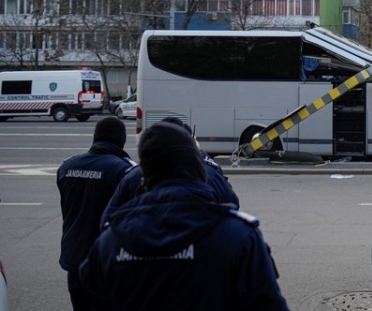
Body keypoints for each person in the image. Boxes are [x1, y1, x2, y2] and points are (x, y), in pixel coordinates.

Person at [79, 121, 289, 310]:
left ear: (145, 175)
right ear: (195, 166)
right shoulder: (239, 236)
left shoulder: (110, 242)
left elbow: (96, 299)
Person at [57, 116, 135, 311]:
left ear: (95, 137)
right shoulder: (124, 171)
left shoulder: (67, 167)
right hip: (107, 262)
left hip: (74, 256)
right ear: (122, 140)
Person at [101, 116, 239, 225]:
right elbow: (232, 205)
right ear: (188, 142)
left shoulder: (134, 174)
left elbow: (108, 219)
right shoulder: (209, 172)